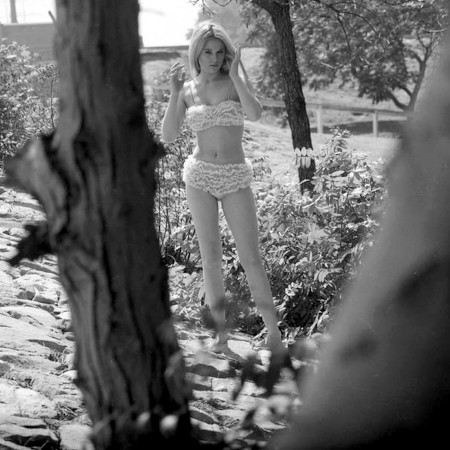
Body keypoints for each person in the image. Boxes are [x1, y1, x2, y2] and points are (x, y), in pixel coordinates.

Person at [161, 22, 285, 356]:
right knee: (211, 258)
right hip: (199, 177)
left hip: (234, 177)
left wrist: (237, 76)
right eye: (208, 52)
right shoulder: (188, 90)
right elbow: (168, 136)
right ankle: (221, 339)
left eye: (219, 52)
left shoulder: (232, 83)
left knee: (251, 258)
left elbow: (255, 113)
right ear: (197, 53)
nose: (214, 58)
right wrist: (174, 93)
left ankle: (274, 336)